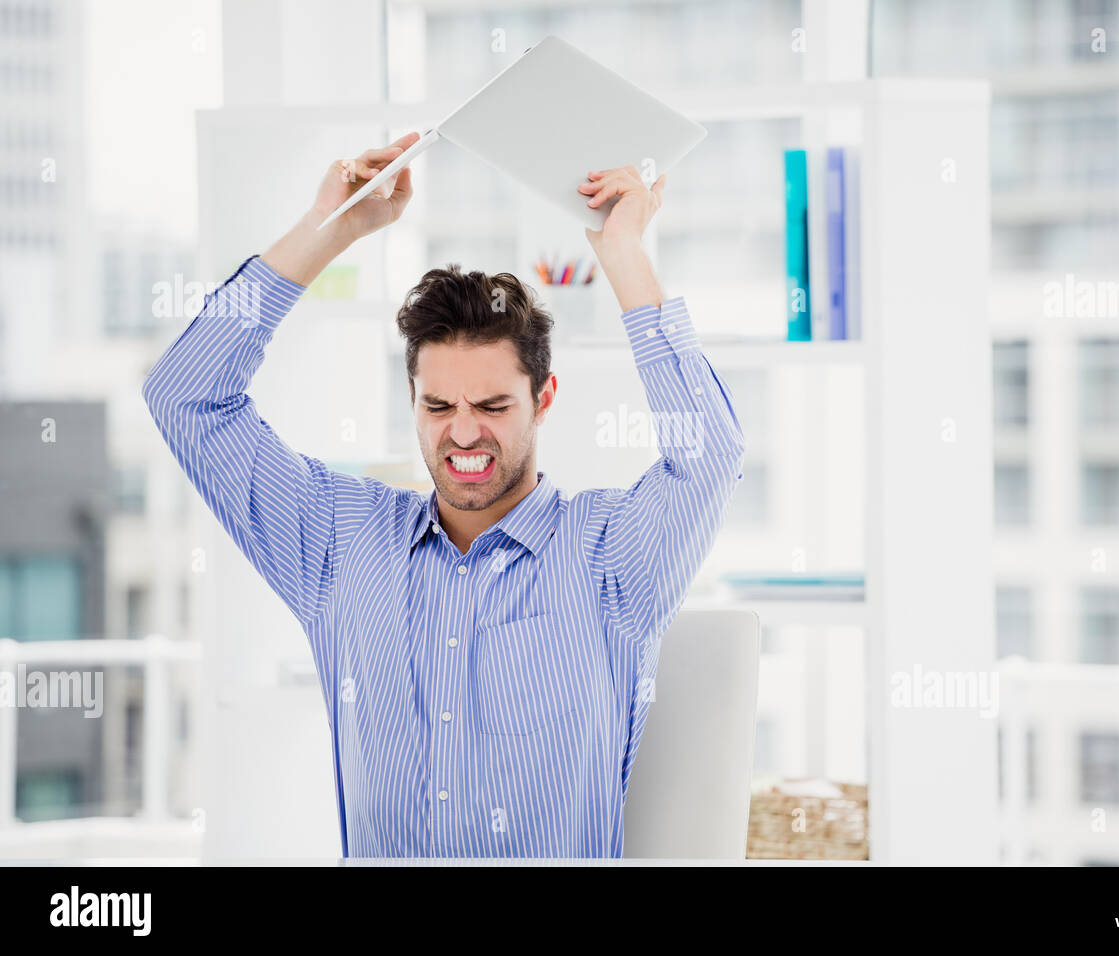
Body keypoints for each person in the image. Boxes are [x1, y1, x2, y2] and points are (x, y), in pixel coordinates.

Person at [142, 132, 746, 858]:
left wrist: (624, 255)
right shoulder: (341, 541)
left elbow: (709, 455)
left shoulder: (610, 553)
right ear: (411, 398)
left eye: (492, 406)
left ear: (543, 398)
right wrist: (325, 233)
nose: (464, 435)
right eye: (438, 407)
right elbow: (185, 396)